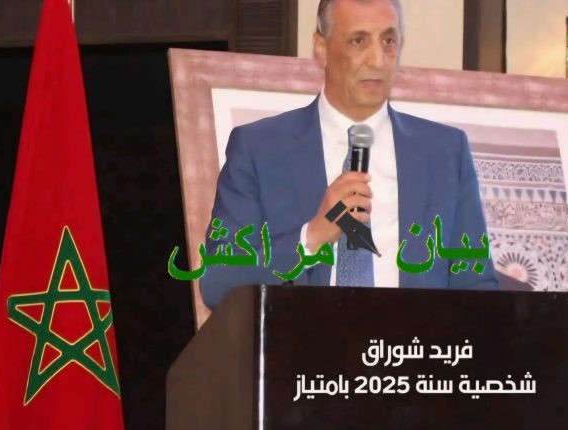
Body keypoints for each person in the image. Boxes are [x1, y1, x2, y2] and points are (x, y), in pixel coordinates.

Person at [200, 0, 498, 309]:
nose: (377, 60)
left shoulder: (445, 152)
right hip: (304, 339)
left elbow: (478, 288)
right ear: (321, 48)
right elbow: (218, 283)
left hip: (415, 339)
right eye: (359, 41)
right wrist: (310, 239)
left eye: (388, 41)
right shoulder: (260, 148)